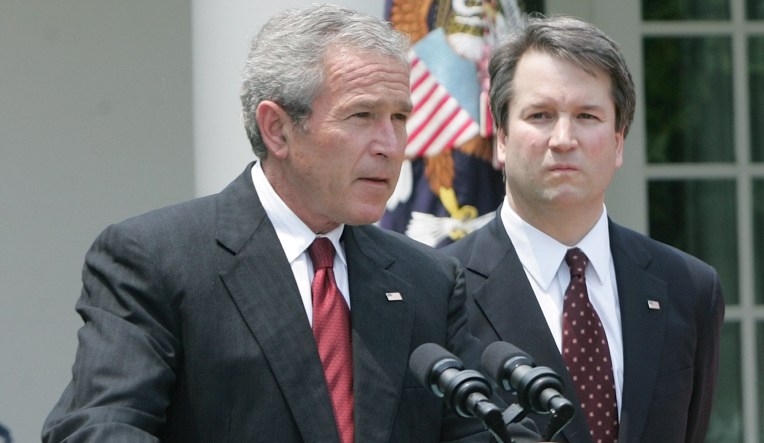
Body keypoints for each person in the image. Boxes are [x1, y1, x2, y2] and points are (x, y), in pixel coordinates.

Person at [42, 4, 544, 443]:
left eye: (400, 118)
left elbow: (477, 430)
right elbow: (99, 427)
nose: (391, 147)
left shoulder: (426, 280)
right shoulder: (156, 259)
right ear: (277, 129)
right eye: (362, 115)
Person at [442, 14, 725, 443]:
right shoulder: (439, 290)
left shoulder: (688, 288)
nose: (562, 139)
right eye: (539, 114)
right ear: (500, 137)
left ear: (618, 140)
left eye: (587, 116)